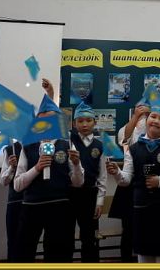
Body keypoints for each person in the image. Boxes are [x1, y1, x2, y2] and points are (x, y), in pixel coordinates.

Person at [106, 93, 160, 263]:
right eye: (153, 116)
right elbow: (125, 180)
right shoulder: (133, 149)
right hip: (141, 211)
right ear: (146, 120)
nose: (156, 121)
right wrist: (116, 172)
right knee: (144, 257)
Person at [13, 90, 84, 262]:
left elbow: (78, 183)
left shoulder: (67, 143)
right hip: (32, 207)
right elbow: (17, 185)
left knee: (58, 255)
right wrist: (37, 168)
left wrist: (76, 164)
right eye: (43, 119)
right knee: (23, 253)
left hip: (60, 207)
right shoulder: (27, 145)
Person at [0, 78, 54, 262]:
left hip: (34, 202)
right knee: (15, 244)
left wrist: (50, 94)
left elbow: (48, 114)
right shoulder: (10, 149)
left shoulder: (39, 144)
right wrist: (11, 168)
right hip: (15, 203)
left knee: (32, 244)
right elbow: (3, 181)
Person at [107, 96, 151, 262]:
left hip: (149, 181)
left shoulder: (156, 126)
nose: (143, 111)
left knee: (148, 227)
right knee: (128, 228)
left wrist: (151, 115)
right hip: (129, 181)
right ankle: (126, 261)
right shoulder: (127, 128)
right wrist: (135, 117)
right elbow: (124, 139)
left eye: (146, 108)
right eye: (139, 108)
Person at [69, 101, 107, 262]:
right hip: (69, 195)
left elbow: (102, 176)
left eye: (88, 120)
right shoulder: (69, 141)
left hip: (90, 196)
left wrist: (100, 201)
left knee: (89, 238)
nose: (84, 124)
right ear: (74, 124)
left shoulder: (100, 145)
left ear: (95, 122)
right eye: (80, 121)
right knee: (66, 237)